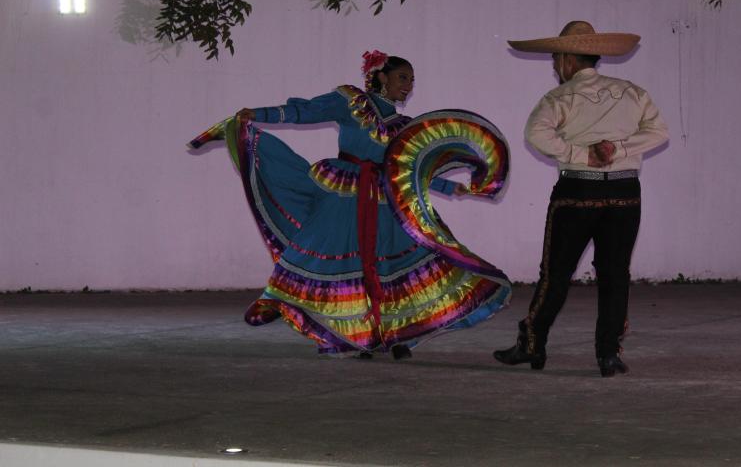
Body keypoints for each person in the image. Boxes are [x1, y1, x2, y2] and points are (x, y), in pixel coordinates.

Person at [197, 50, 512, 358]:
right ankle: (282, 300)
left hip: (387, 200)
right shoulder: (351, 102)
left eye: (412, 80)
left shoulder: (406, 126)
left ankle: (397, 336)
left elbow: (411, 169)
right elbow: (304, 111)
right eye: (403, 77)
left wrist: (448, 186)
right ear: (381, 76)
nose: (408, 84)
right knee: (321, 253)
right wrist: (260, 114)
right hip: (345, 193)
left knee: (394, 268)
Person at [493, 21, 669, 377]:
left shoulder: (560, 97)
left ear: (568, 61)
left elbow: (535, 134)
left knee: (555, 274)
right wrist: (618, 148)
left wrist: (580, 153)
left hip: (577, 190)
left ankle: (532, 345)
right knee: (615, 274)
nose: (556, 66)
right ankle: (608, 354)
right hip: (623, 192)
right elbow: (658, 132)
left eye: (557, 59)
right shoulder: (631, 92)